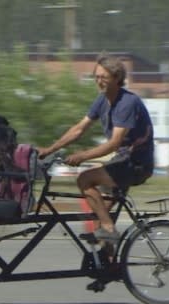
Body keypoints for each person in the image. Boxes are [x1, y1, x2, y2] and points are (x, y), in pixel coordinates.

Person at [37, 54, 154, 242]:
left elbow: (114, 143)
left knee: (85, 179)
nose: (99, 82)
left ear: (117, 79)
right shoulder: (102, 100)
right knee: (98, 216)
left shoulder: (127, 103)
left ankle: (109, 228)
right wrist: (50, 149)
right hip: (122, 161)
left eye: (104, 77)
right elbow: (79, 129)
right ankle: (110, 265)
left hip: (136, 164)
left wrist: (82, 156)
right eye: (97, 77)